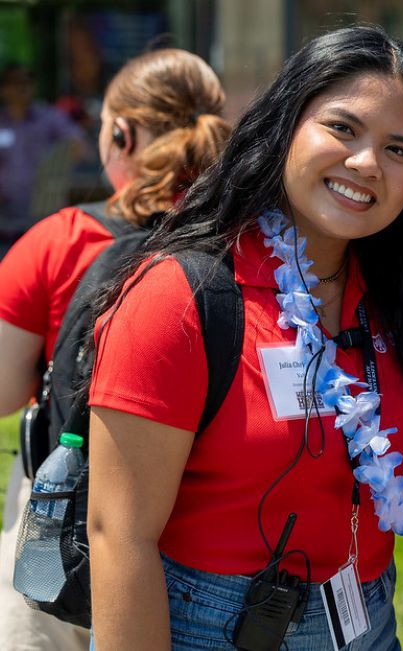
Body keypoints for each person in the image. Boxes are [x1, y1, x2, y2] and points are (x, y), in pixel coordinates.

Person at [86, 25, 403, 650]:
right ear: (285, 125)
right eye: (342, 128)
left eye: (399, 149)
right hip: (209, 629)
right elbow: (119, 534)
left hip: (369, 620)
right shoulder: (181, 296)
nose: (366, 163)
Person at [0, 48, 229, 651]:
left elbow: (1, 389)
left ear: (121, 132)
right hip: (201, 525)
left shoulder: (63, 239)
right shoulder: (244, 241)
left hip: (66, 516)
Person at [0, 63, 88, 256]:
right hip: (4, 223)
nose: (23, 87)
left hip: (41, 220)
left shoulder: (48, 117)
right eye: (16, 83)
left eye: (27, 81)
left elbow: (79, 145)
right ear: (4, 88)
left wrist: (55, 172)